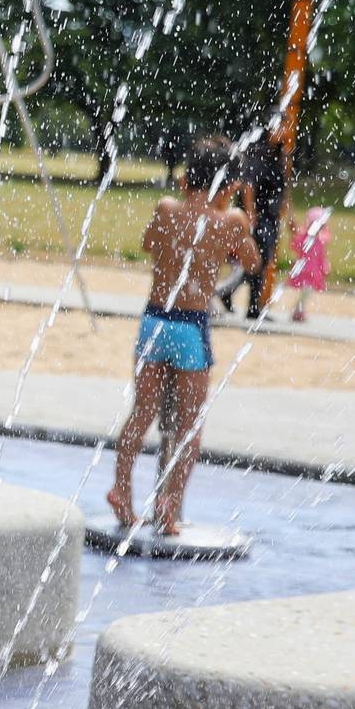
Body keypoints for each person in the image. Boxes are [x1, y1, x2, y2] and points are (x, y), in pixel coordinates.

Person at [108, 136, 260, 536]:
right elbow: (252, 262)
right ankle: (168, 507)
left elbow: (150, 245)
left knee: (143, 414)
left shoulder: (167, 209)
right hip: (191, 329)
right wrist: (244, 210)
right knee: (188, 427)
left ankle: (121, 491)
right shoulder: (229, 221)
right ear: (227, 187)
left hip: (155, 321)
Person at [217, 134, 285, 317]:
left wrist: (288, 215)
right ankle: (245, 301)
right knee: (256, 262)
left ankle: (239, 298)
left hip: (271, 217)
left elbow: (283, 189)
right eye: (282, 124)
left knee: (262, 262)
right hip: (259, 216)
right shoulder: (258, 152)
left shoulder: (279, 154)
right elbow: (248, 185)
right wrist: (251, 213)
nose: (285, 129)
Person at [286, 206, 333, 322]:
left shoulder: (321, 239)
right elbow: (295, 246)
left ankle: (299, 310)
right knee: (306, 290)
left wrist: (324, 266)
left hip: (314, 271)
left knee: (308, 291)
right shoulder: (304, 237)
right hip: (303, 269)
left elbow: (321, 256)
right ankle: (298, 310)